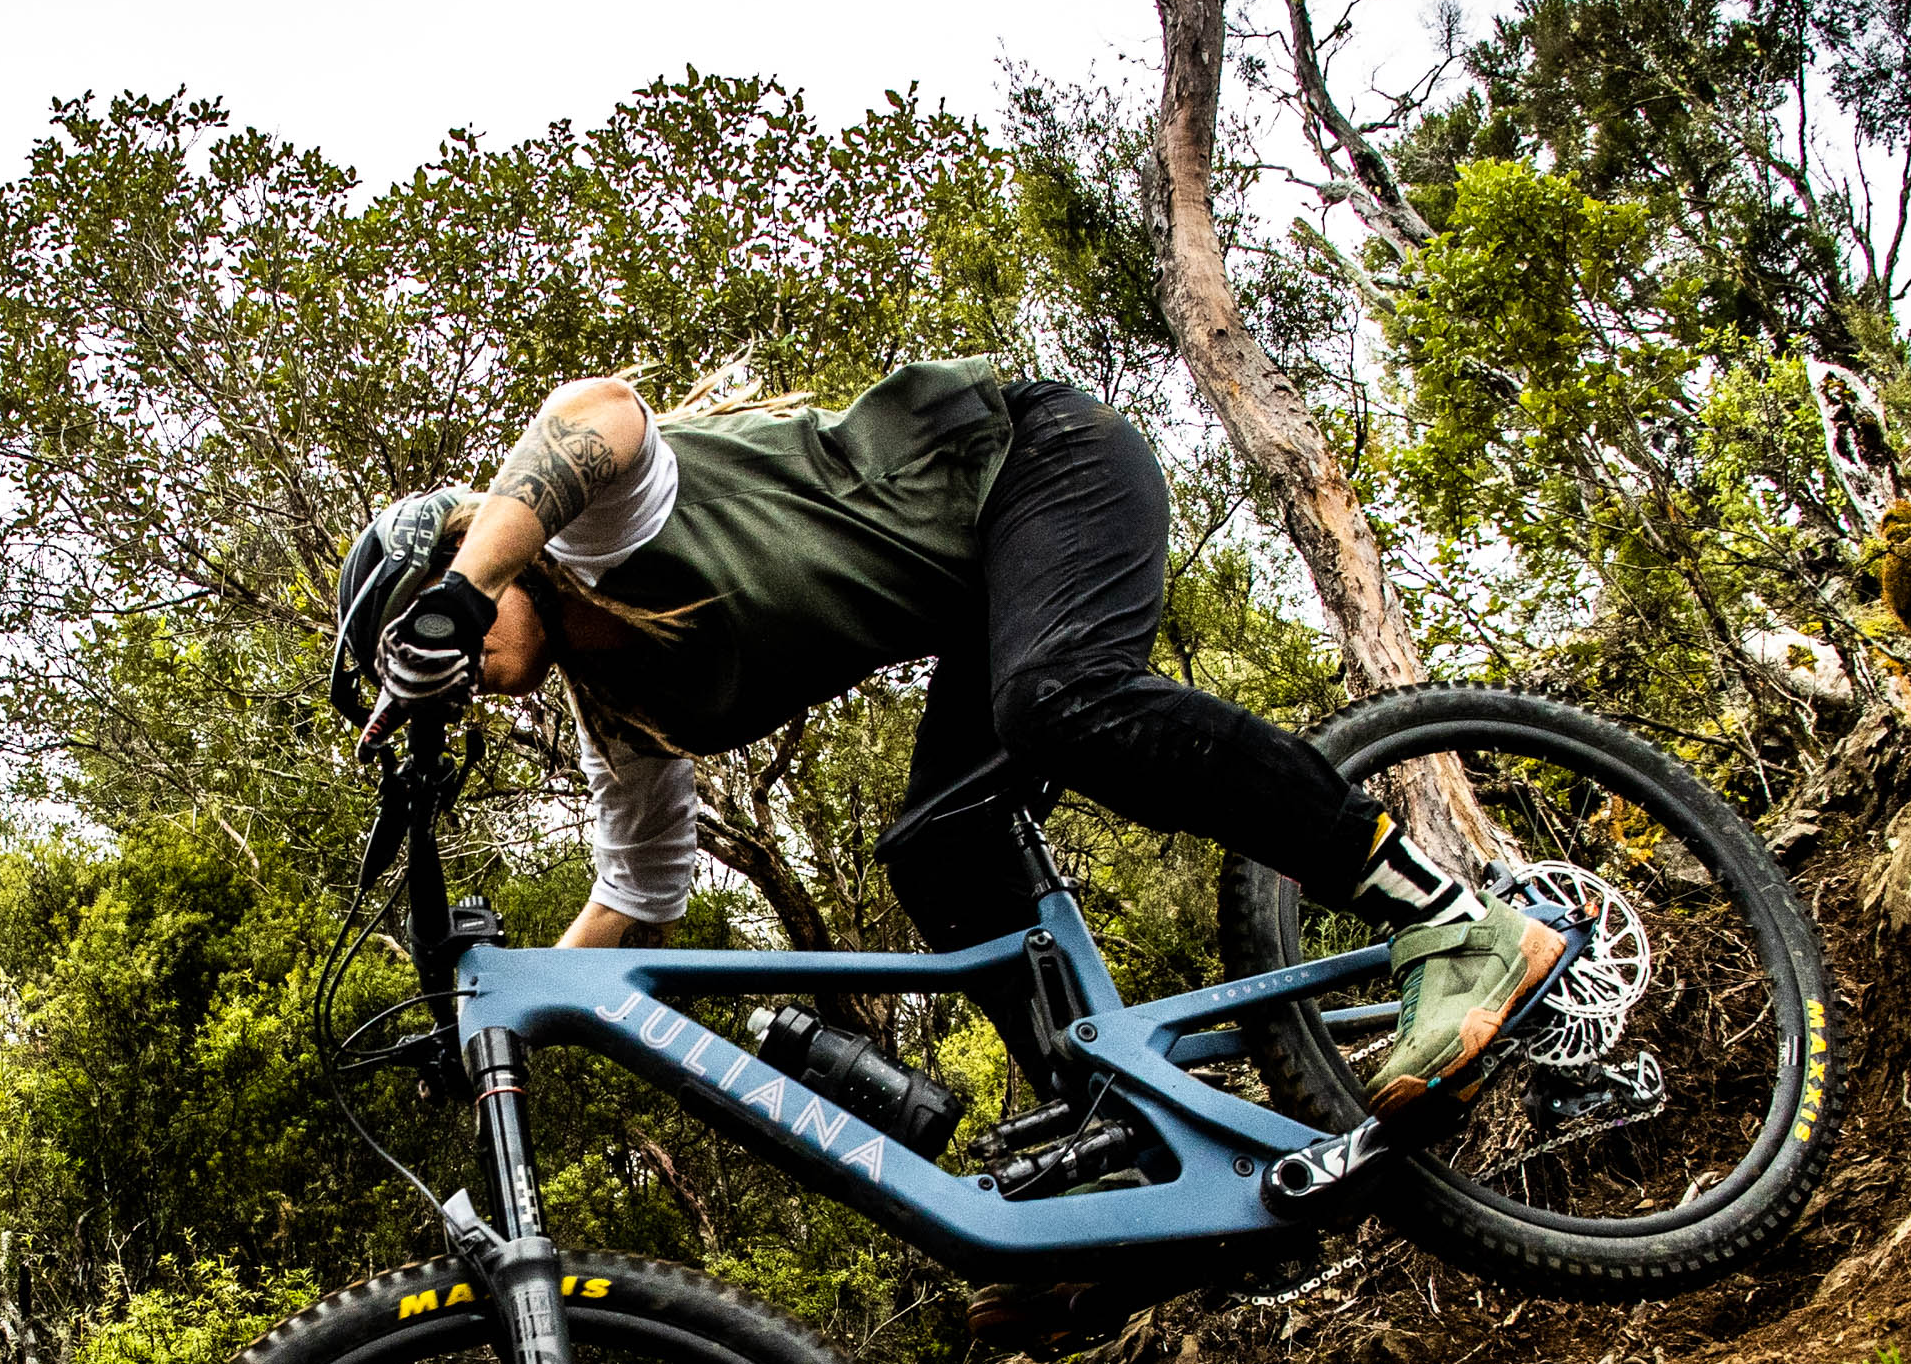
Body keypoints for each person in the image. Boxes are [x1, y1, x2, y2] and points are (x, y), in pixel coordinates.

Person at [333, 356, 1563, 1121]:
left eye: (429, 626)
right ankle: (1124, 1131)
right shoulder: (627, 719)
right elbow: (640, 897)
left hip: (1041, 463)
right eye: (420, 659)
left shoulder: (599, 528)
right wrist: (506, 1015)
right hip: (991, 602)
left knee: (1061, 699)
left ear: (469, 554)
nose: (448, 667)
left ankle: (1453, 920)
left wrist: (459, 582)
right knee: (935, 847)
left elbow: (593, 413)